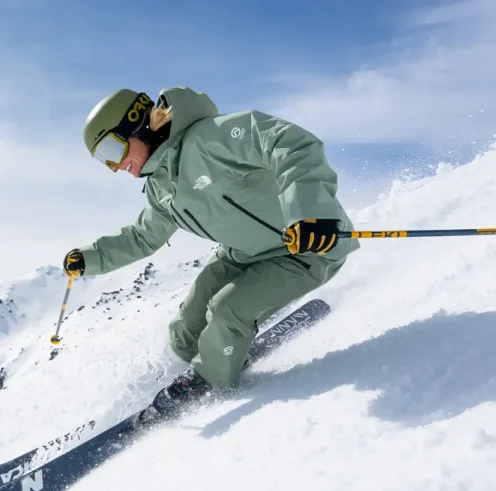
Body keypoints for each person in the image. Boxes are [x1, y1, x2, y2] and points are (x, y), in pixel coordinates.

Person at [64, 86, 359, 413]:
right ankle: (194, 364)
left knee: (225, 310)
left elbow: (289, 143)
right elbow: (144, 236)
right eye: (104, 160)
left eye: (111, 149)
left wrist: (310, 213)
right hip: (243, 254)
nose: (115, 166)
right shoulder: (162, 185)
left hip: (305, 248)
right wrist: (89, 258)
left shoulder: (211, 139)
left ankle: (208, 384)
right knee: (187, 324)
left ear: (136, 125)